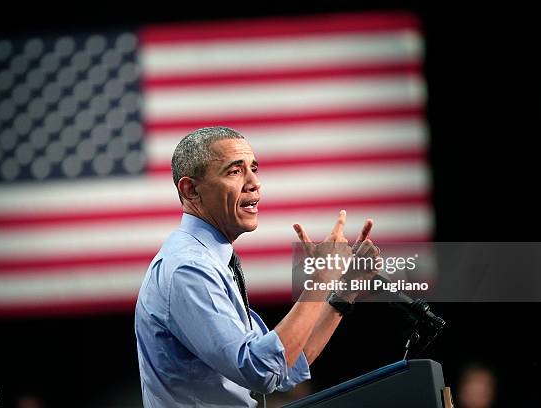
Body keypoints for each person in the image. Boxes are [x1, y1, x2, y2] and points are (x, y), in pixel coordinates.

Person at [135, 126, 379, 407]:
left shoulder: (211, 261)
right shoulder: (188, 269)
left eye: (254, 169)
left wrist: (345, 289)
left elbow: (283, 365)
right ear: (191, 190)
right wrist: (321, 278)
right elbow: (258, 370)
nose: (254, 183)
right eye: (234, 171)